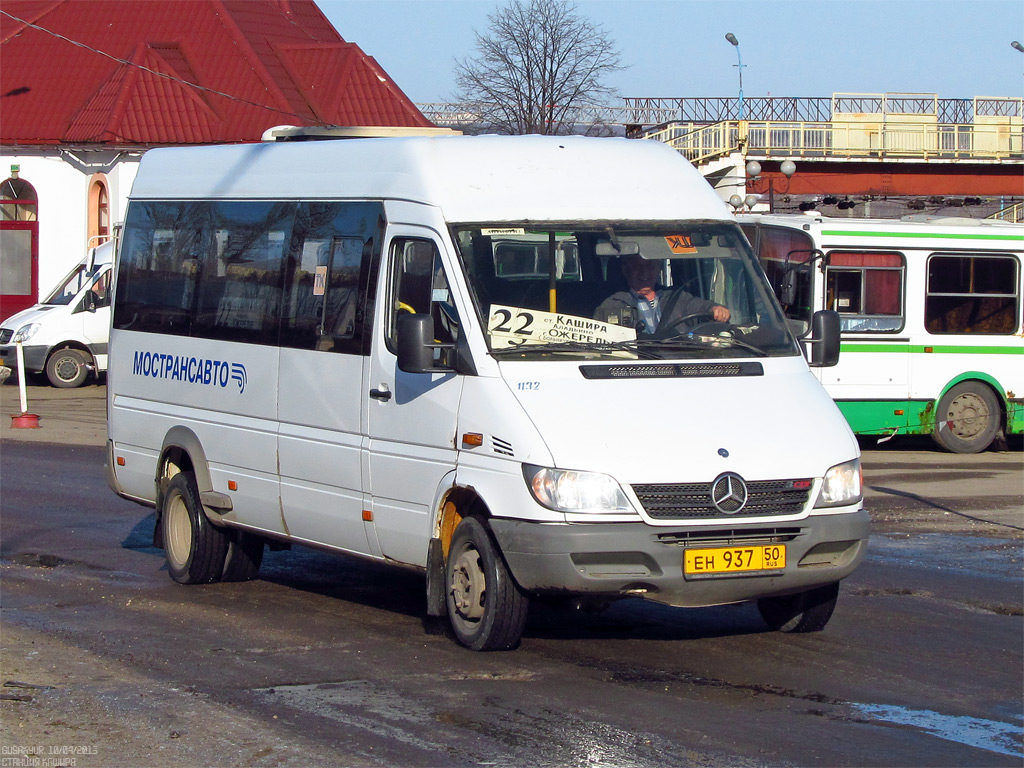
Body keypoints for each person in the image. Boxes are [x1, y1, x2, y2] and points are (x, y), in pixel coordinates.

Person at [594, 253, 730, 335]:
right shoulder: (611, 305)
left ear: (658, 269)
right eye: (637, 267)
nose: (644, 272)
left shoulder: (678, 298)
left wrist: (716, 309)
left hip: (677, 362)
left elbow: (702, 307)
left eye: (650, 266)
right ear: (626, 270)